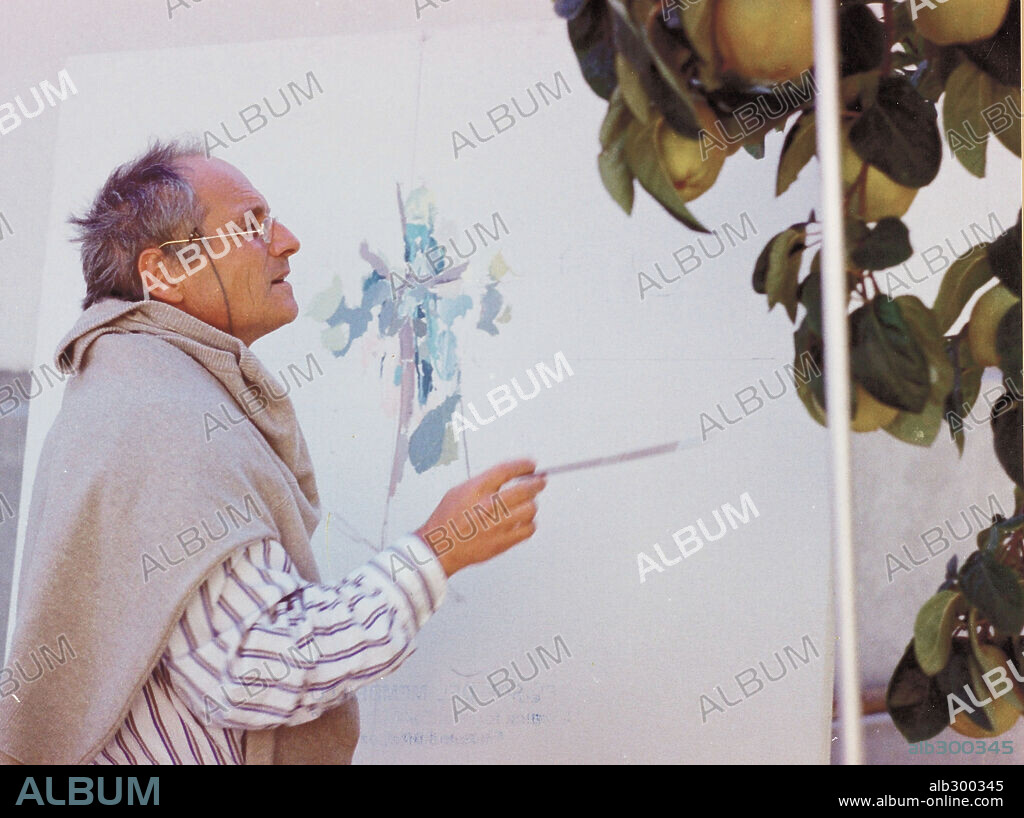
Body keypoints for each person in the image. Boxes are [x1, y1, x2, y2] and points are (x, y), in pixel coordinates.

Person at [0, 140, 545, 765]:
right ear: (167, 273)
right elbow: (254, 669)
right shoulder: (160, 416)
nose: (286, 240)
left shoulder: (133, 388)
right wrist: (437, 550)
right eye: (251, 225)